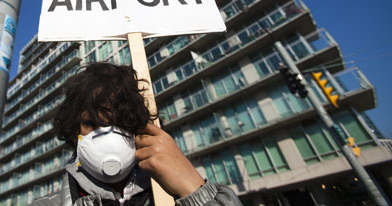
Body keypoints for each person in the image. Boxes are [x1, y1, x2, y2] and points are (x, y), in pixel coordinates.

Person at [30, 62, 243, 206]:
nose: (107, 136)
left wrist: (197, 194)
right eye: (91, 123)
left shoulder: (171, 196)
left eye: (120, 123)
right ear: (73, 131)